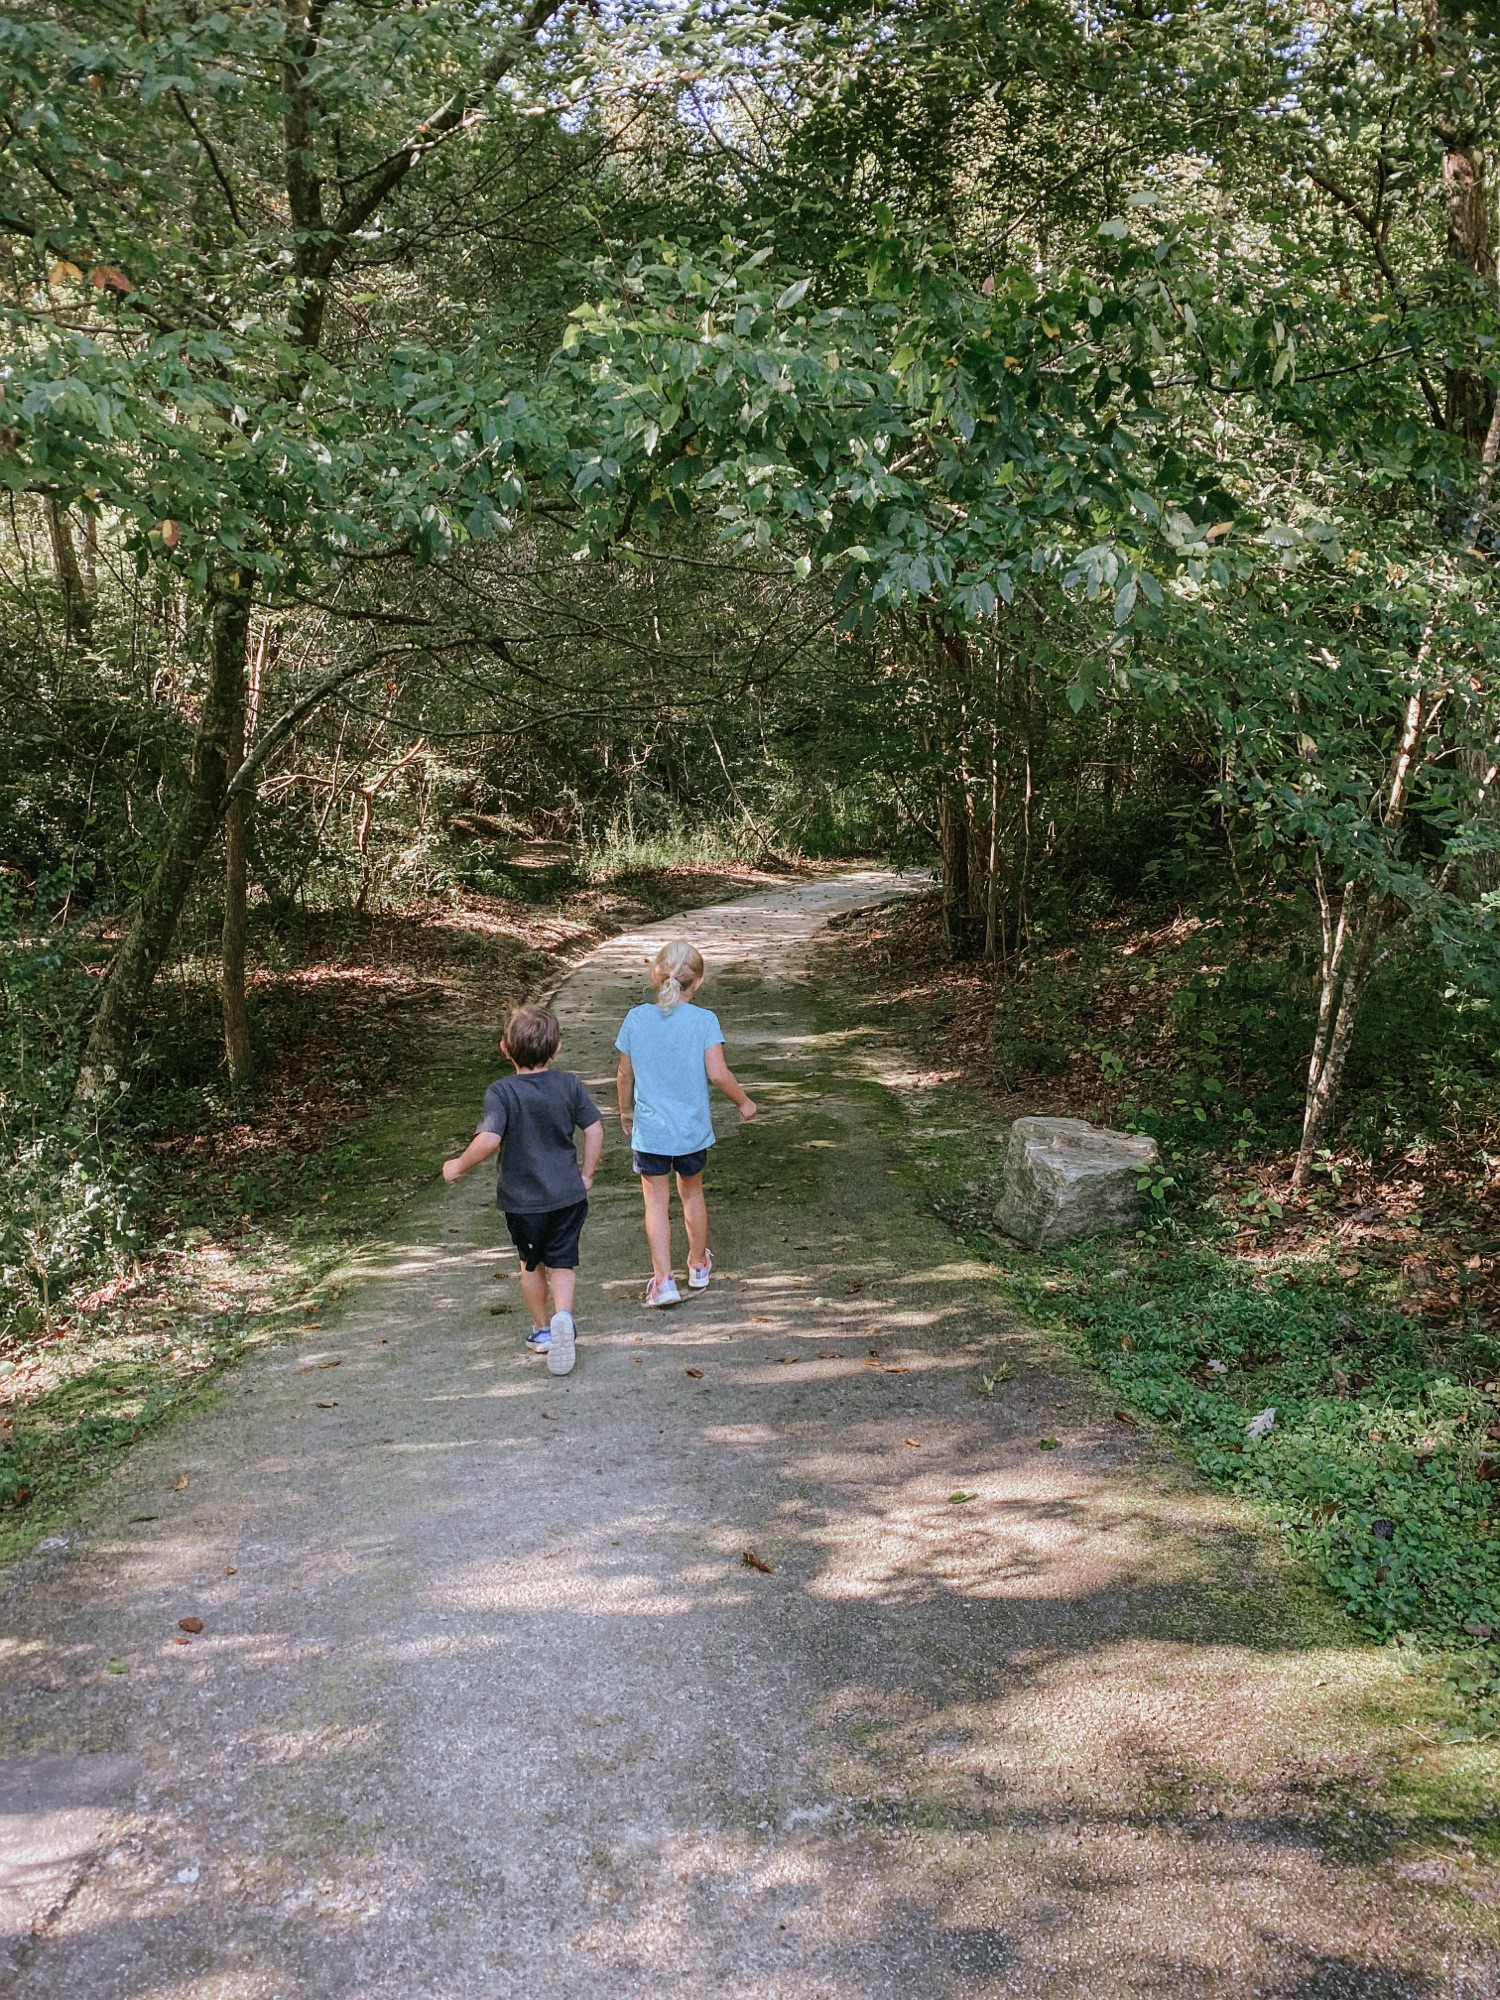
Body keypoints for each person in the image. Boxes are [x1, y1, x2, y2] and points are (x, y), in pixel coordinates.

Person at [442, 1002, 602, 1376]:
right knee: (562, 1260)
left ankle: (543, 1329)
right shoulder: (569, 1085)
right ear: (557, 1048)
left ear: (505, 1049)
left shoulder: (502, 1092)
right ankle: (564, 1316)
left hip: (523, 1202)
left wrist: (457, 1165)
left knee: (531, 1264)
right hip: (567, 1195)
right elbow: (594, 1130)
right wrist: (587, 1173)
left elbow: (489, 1139)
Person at [615, 940, 757, 1308]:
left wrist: (624, 1110)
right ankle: (697, 1265)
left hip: (651, 1132)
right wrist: (743, 1102)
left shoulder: (636, 1018)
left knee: (655, 1203)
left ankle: (663, 1282)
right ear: (699, 982)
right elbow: (718, 1073)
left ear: (655, 976)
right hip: (691, 1130)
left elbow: (624, 1073)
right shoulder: (704, 1021)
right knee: (692, 1193)